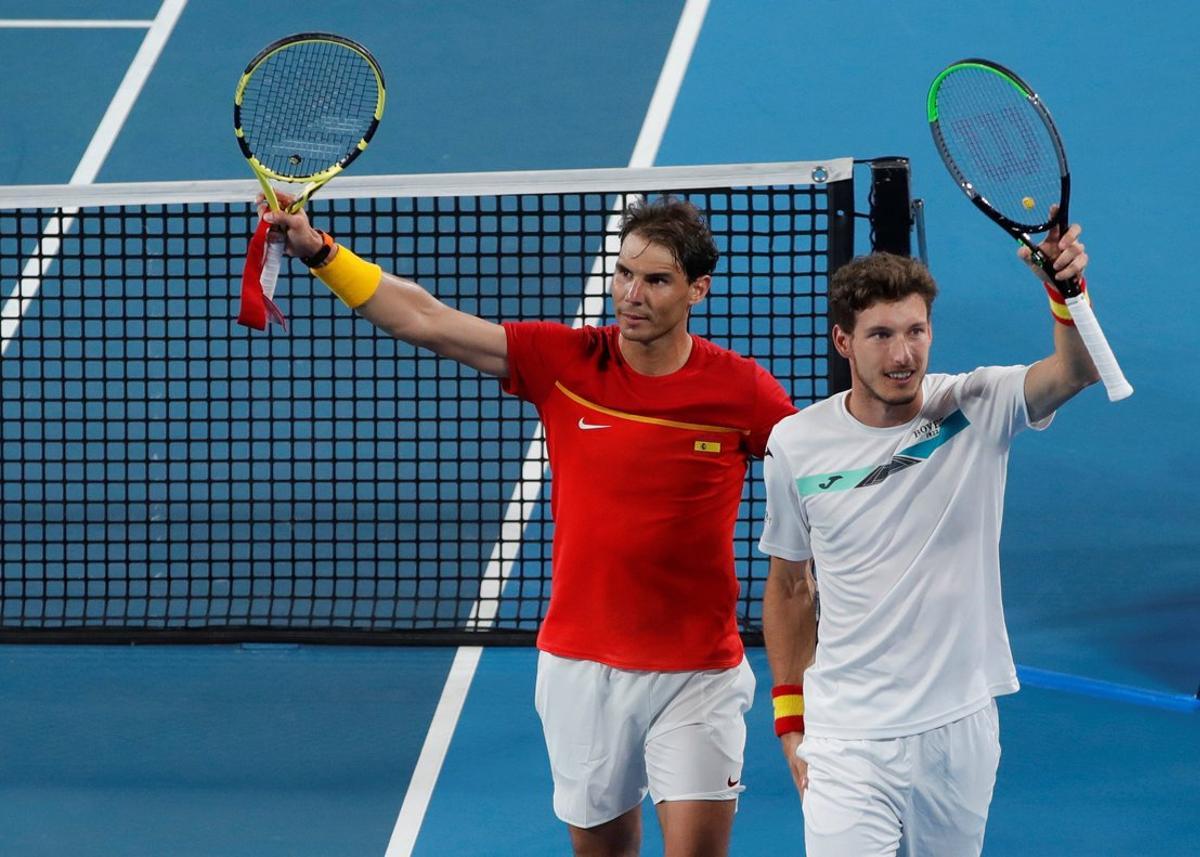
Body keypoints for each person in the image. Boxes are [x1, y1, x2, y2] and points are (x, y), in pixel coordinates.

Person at [261, 193, 796, 856]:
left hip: (697, 672)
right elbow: (426, 319)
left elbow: (822, 469)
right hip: (580, 666)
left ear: (697, 289)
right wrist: (320, 253)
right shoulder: (564, 361)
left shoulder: (742, 392)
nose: (631, 293)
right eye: (624, 272)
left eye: (656, 279)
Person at [758, 219, 1101, 856]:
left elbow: (1075, 371)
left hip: (958, 730)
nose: (903, 355)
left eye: (916, 332)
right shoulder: (795, 445)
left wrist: (1065, 292)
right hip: (847, 737)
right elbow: (788, 585)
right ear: (844, 341)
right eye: (881, 335)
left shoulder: (974, 404)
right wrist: (789, 719)